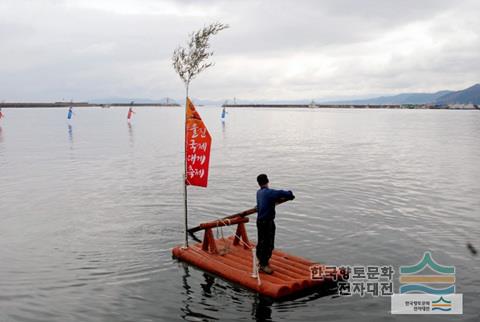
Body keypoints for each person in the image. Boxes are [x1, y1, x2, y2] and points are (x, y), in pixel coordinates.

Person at [256, 174, 295, 274]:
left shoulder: (259, 193)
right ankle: (263, 264)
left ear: (259, 183)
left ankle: (260, 261)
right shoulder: (269, 193)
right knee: (268, 243)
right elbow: (284, 193)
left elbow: (266, 201)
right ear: (267, 181)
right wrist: (290, 194)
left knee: (261, 242)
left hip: (259, 221)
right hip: (267, 222)